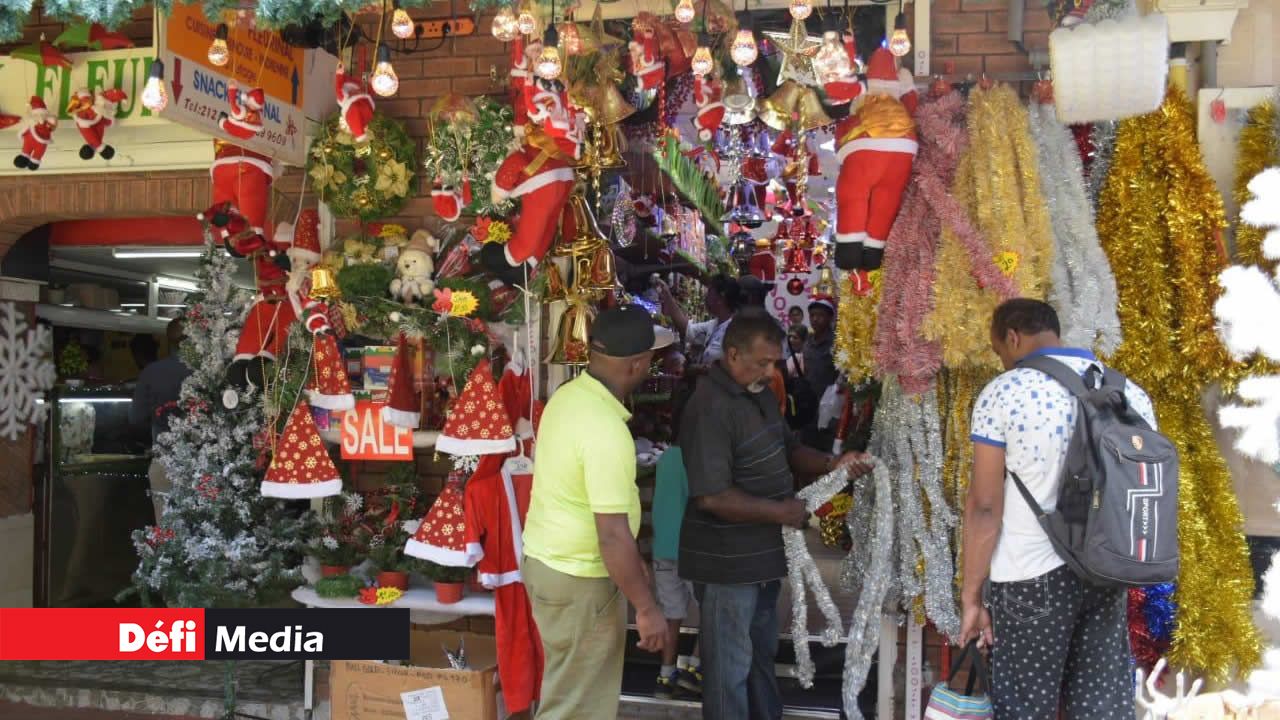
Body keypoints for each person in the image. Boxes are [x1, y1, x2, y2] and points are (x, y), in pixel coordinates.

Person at [958, 299, 1156, 720]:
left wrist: (972, 594)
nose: (1003, 361)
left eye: (999, 351)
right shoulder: (1129, 392)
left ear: (1012, 338)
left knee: (1025, 708)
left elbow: (985, 507)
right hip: (1109, 569)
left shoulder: (1004, 392)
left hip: (1029, 578)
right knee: (1100, 706)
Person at [679, 309, 871, 720]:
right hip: (727, 564)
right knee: (728, 669)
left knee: (759, 659)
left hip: (762, 558)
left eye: (775, 362)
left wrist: (831, 464)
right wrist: (782, 512)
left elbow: (789, 449)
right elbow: (712, 497)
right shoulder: (709, 407)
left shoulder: (760, 395)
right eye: (762, 363)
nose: (771, 372)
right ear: (732, 355)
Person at [523, 305, 673, 719]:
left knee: (566, 692)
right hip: (579, 582)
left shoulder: (568, 398)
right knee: (575, 708)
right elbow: (611, 535)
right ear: (638, 364)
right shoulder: (605, 428)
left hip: (550, 565)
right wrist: (646, 608)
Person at [651, 378, 702, 700]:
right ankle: (696, 668)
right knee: (712, 611)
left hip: (663, 550)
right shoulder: (702, 461)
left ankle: (665, 674)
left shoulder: (666, 458)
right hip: (695, 549)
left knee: (672, 615)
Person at [130, 318, 192, 521]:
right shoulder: (205, 372)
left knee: (167, 533)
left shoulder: (151, 372)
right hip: (200, 464)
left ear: (168, 341)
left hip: (163, 461)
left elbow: (136, 419)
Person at [657, 273, 742, 366]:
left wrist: (698, 370)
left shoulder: (735, 332)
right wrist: (667, 296)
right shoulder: (715, 323)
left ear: (720, 298)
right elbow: (687, 329)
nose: (706, 295)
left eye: (710, 292)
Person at [801, 296, 838, 448]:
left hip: (829, 403)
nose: (815, 319)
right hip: (808, 402)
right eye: (812, 315)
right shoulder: (808, 341)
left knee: (826, 443)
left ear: (830, 317)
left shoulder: (837, 342)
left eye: (820, 315)